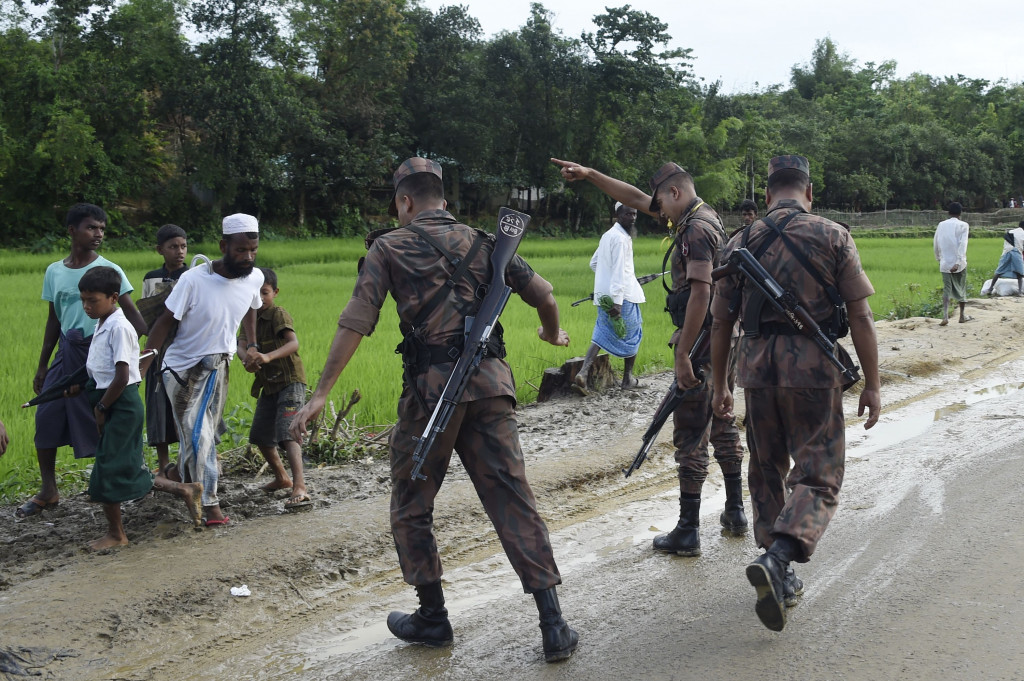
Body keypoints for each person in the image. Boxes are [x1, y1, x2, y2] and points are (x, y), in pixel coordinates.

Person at [289, 158, 578, 663]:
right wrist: (553, 334)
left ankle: (433, 617)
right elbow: (545, 295)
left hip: (431, 394)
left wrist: (319, 395)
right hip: (490, 388)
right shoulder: (487, 242)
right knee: (513, 498)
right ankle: (553, 624)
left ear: (404, 201)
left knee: (412, 499)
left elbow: (357, 320)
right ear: (443, 198)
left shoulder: (388, 247)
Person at [710, 154, 881, 632]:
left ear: (767, 196)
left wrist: (721, 384)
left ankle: (773, 564)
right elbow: (862, 317)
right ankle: (782, 557)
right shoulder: (833, 235)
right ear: (810, 193)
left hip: (757, 369)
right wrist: (873, 383)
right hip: (813, 368)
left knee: (765, 468)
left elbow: (722, 323)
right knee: (819, 472)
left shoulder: (738, 240)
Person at [551, 157, 747, 556]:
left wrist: (683, 356)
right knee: (723, 419)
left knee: (692, 432)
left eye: (662, 203)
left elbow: (700, 291)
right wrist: (590, 176)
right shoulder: (702, 214)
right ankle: (735, 510)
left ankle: (688, 530)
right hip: (723, 339)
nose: (656, 213)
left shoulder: (694, 227)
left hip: (701, 342)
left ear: (675, 192)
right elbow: (638, 198)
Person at [16, 204, 147, 519]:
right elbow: (53, 320)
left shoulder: (109, 271)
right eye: (91, 227)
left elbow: (137, 323)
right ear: (72, 230)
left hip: (99, 357)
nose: (98, 234)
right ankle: (49, 490)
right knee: (45, 417)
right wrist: (43, 364)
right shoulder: (54, 271)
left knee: (105, 423)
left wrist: (124, 354)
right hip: (67, 353)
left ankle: (121, 485)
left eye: (102, 228)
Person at [140, 214, 264, 527]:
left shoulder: (254, 277)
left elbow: (251, 307)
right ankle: (211, 508)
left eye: (253, 250)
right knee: (199, 438)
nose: (248, 257)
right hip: (183, 372)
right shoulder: (195, 279)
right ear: (224, 246)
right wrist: (143, 364)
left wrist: (250, 345)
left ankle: (172, 476)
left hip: (220, 367)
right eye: (240, 251)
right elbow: (165, 321)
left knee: (198, 437)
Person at [75, 267, 203, 550]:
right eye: (83, 300)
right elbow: (103, 368)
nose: (86, 306)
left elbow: (122, 376)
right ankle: (184, 489)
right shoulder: (103, 322)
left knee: (107, 469)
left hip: (119, 403)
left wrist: (101, 406)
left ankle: (117, 535)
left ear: (113, 297)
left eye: (92, 300)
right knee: (127, 465)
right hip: (112, 401)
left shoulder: (119, 327)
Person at [236, 267, 310, 510]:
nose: (258, 298)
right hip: (268, 384)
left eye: (264, 293)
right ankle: (282, 477)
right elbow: (240, 344)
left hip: (289, 380)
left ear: (275, 292)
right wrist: (246, 358)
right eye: (253, 293)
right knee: (259, 435)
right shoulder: (247, 316)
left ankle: (299, 485)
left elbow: (293, 343)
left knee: (288, 432)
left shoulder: (278, 314)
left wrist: (267, 357)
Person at [573, 202, 646, 393]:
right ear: (618, 215)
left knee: (601, 333)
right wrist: (618, 299)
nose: (632, 217)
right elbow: (619, 270)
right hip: (623, 297)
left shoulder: (608, 235)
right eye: (628, 214)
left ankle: (583, 372)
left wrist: (605, 281)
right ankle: (628, 379)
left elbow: (595, 263)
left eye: (635, 214)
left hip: (604, 296)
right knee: (632, 333)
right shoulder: (621, 239)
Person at [140, 224, 189, 474]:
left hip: (185, 348)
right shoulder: (151, 278)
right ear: (160, 250)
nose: (179, 252)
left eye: (183, 246)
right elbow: (145, 314)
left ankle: (186, 459)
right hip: (158, 350)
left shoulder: (192, 276)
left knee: (185, 403)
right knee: (158, 403)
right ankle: (162, 463)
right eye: (173, 247)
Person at [933, 202, 971, 325]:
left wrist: (939, 258)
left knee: (947, 289)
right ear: (960, 213)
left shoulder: (941, 225)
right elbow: (963, 244)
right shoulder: (963, 225)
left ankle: (945, 316)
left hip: (945, 263)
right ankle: (962, 315)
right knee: (962, 288)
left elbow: (936, 242)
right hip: (960, 264)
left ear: (948, 213)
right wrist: (958, 262)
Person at [986, 220, 1024, 296]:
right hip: (1016, 252)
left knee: (999, 271)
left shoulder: (1010, 231)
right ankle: (1020, 292)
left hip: (1006, 252)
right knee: (1020, 272)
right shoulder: (1023, 233)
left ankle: (990, 289)